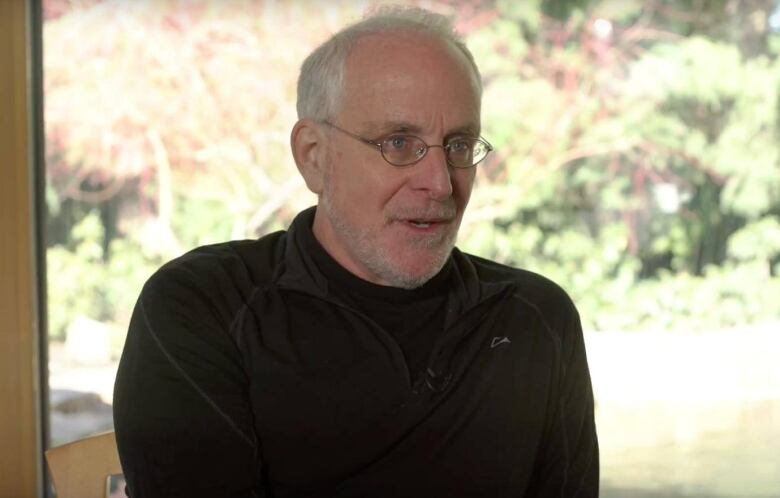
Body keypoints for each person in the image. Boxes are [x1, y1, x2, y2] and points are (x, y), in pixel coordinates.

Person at [113, 5, 599, 498]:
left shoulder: (535, 321)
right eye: (398, 142)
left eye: (458, 145)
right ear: (314, 157)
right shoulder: (201, 307)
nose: (439, 183)